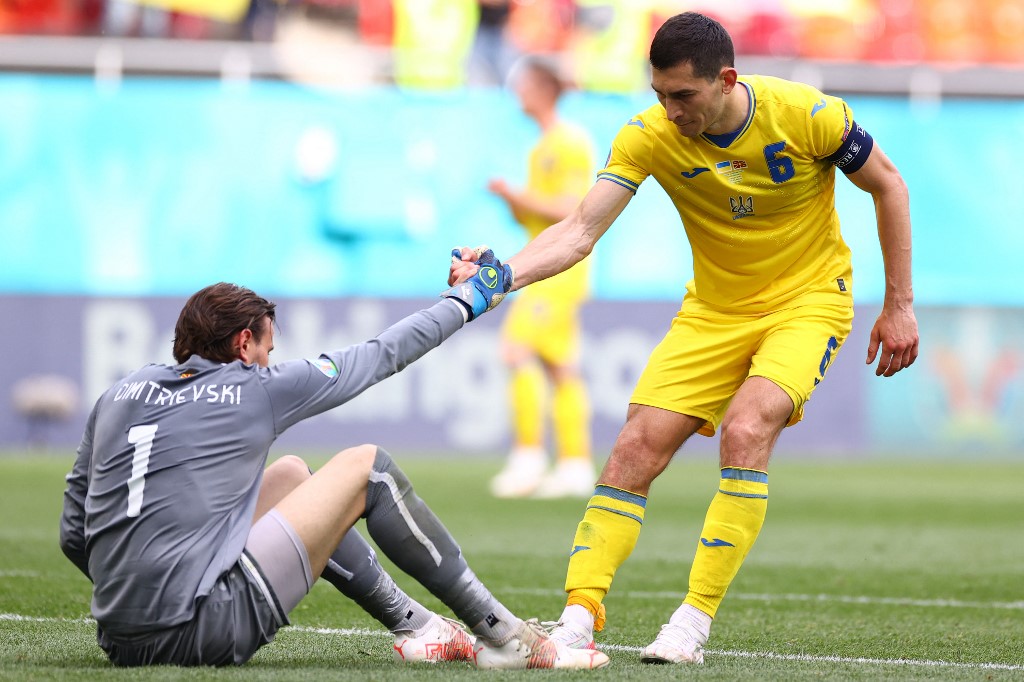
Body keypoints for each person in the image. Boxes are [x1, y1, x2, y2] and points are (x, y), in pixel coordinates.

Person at [449, 11, 920, 665]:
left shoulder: (811, 116)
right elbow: (579, 232)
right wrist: (499, 279)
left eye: (683, 96)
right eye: (659, 95)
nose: (670, 111)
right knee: (633, 450)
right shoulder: (648, 136)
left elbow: (888, 186)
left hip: (808, 304)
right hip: (712, 311)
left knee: (747, 429)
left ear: (726, 79)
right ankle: (578, 618)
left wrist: (899, 305)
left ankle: (691, 624)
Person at [59, 267, 609, 671]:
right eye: (269, 348)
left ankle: (421, 629)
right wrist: (471, 298)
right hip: (204, 632)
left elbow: (74, 535)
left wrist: (143, 593)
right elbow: (379, 354)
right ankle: (509, 637)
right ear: (244, 342)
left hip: (117, 639)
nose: (271, 362)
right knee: (367, 468)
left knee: (294, 476)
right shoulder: (254, 389)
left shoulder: (117, 394)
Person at [486, 57, 598, 499]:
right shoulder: (542, 146)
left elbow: (574, 207)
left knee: (515, 351)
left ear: (542, 88)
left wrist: (518, 193)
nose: (517, 92)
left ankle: (528, 458)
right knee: (560, 367)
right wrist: (511, 201)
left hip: (558, 268)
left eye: (523, 84)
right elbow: (533, 215)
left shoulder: (569, 142)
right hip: (544, 263)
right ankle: (574, 463)